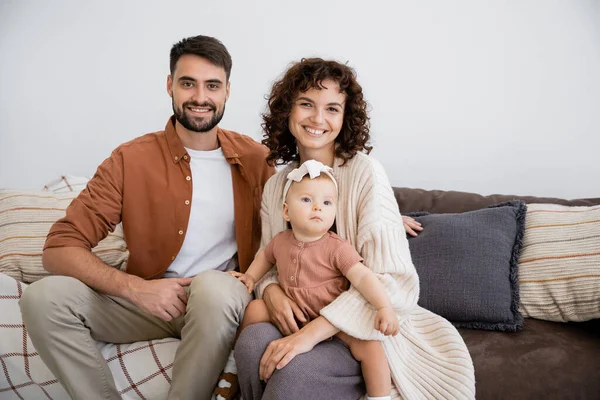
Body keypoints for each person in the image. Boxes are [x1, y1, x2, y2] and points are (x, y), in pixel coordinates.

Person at [18, 35, 274, 400]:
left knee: (214, 287)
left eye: (212, 85)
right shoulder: (130, 159)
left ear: (227, 91)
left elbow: (286, 238)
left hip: (219, 302)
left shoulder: (255, 160)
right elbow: (59, 247)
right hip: (147, 301)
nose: (200, 97)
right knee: (42, 298)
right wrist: (134, 288)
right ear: (170, 85)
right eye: (188, 83)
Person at [234, 58, 475, 400]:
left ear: (345, 117)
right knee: (251, 345)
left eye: (332, 108)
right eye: (306, 104)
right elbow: (274, 258)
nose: (318, 119)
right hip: (298, 313)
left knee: (290, 374)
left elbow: (393, 282)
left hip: (356, 328)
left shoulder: (365, 173)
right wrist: (271, 293)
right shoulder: (277, 186)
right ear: (287, 111)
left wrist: (312, 333)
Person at [230, 159, 399, 399]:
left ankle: (379, 396)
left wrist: (384, 306)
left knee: (370, 346)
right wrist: (249, 276)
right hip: (296, 314)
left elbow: (363, 277)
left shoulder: (337, 247)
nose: (318, 207)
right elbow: (264, 259)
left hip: (331, 318)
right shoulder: (280, 240)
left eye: (327, 202)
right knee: (255, 309)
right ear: (286, 211)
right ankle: (232, 360)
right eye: (307, 200)